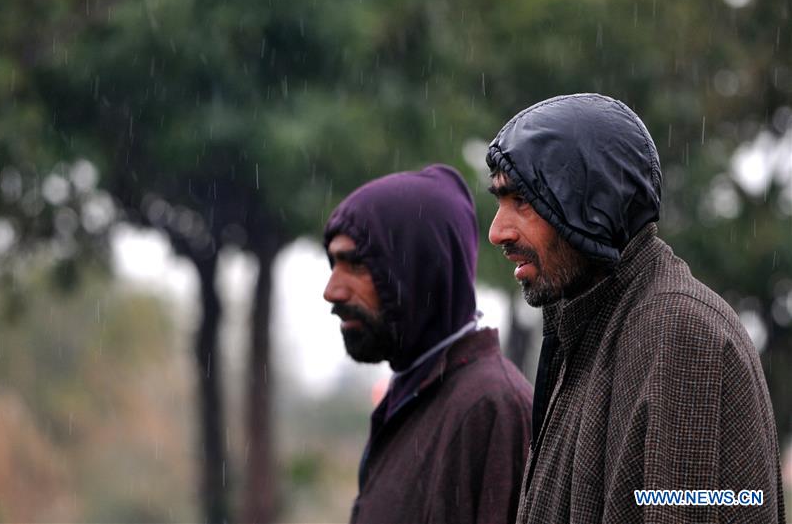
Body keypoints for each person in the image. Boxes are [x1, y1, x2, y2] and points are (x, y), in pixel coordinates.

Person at [484, 93, 785, 524]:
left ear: (589, 204)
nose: (498, 232)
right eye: (498, 202)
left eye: (522, 201)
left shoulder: (679, 335)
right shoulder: (589, 329)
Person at [323, 164, 533, 524]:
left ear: (421, 268)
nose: (332, 291)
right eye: (332, 264)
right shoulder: (413, 394)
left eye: (356, 264)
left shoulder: (491, 407)